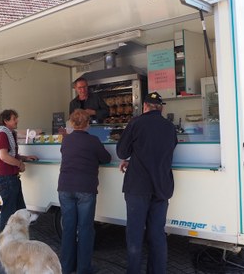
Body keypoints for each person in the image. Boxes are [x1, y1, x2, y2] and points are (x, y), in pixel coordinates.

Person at [116, 92, 177, 274]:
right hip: (161, 187)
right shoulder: (170, 127)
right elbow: (161, 152)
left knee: (135, 235)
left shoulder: (136, 123)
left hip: (138, 187)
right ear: (161, 108)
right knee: (157, 234)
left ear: (144, 107)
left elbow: (121, 152)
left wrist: (132, 159)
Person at [57, 109, 112, 274]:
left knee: (68, 229)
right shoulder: (93, 141)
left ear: (72, 124)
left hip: (65, 188)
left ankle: (66, 267)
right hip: (85, 189)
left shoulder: (66, 141)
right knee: (86, 229)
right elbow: (106, 158)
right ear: (88, 124)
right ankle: (84, 268)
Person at [0, 109, 38, 231]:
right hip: (6, 179)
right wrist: (20, 164)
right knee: (9, 214)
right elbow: (4, 156)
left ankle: (18, 241)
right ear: (6, 121)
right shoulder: (3, 134)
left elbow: (10, 155)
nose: (17, 120)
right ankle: (6, 244)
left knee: (20, 211)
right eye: (14, 118)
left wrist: (25, 157)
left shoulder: (9, 134)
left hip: (10, 179)